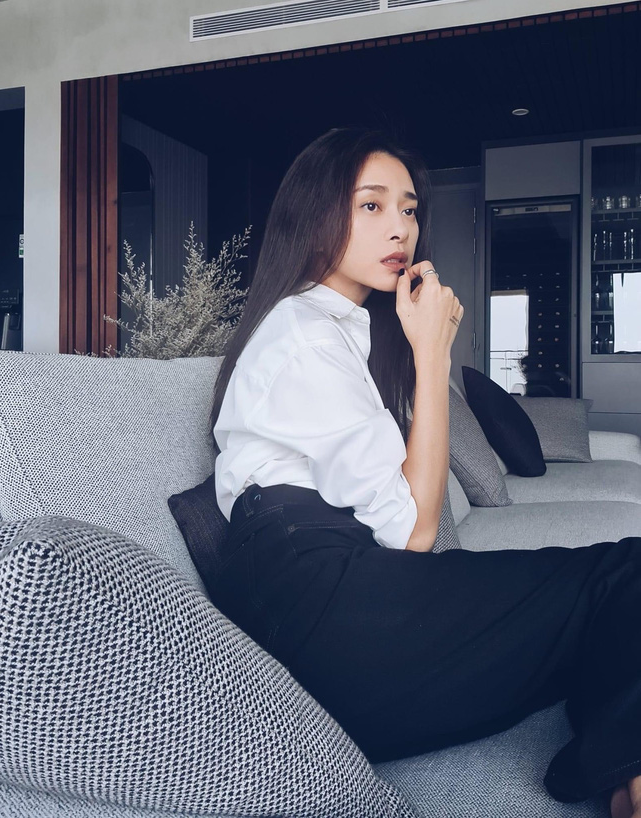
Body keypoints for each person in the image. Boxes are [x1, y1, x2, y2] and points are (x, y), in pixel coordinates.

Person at [209, 126, 641, 818]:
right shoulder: (304, 334)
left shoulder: (332, 329)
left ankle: (626, 781)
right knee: (624, 575)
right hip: (330, 626)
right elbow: (414, 531)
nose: (400, 228)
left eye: (408, 209)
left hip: (333, 608)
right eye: (372, 205)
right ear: (314, 215)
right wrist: (432, 354)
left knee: (608, 604)